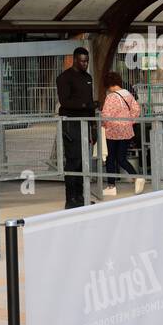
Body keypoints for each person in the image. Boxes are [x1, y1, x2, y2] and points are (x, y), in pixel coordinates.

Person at [56, 47, 95, 209]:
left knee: (83, 161)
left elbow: (90, 102)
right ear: (75, 60)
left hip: (85, 124)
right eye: (82, 61)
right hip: (71, 124)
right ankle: (70, 199)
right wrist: (85, 105)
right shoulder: (64, 78)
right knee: (74, 160)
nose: (85, 64)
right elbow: (65, 102)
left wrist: (93, 127)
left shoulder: (88, 77)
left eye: (87, 61)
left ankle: (80, 196)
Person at [101, 71, 144, 196]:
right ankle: (136, 177)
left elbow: (105, 115)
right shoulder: (128, 94)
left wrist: (103, 125)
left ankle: (111, 186)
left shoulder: (110, 97)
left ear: (108, 84)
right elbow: (137, 109)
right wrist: (130, 121)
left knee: (110, 158)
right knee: (121, 158)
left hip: (112, 131)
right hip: (126, 130)